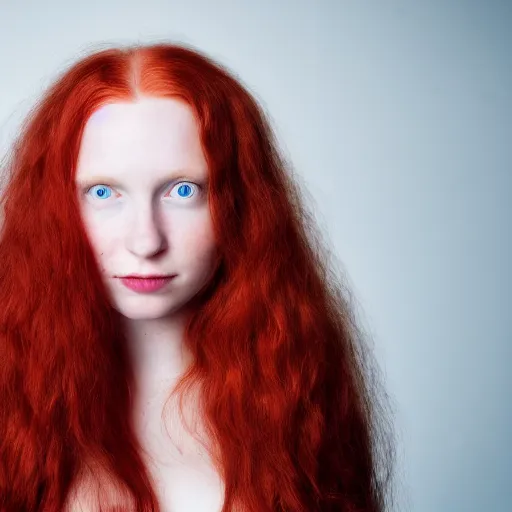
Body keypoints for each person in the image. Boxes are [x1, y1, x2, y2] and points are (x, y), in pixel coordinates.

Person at [0, 43, 396, 512]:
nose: (146, 241)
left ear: (240, 206)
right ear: (55, 208)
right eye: (103, 192)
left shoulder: (296, 399)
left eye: (182, 190)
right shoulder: (12, 401)